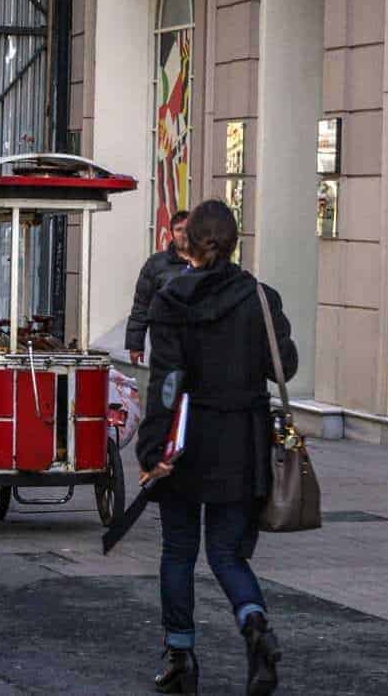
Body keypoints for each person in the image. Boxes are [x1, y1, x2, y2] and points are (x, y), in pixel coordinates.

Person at [137, 200, 296, 695]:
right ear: (235, 240)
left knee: (179, 550)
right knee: (227, 553)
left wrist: (151, 449)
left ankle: (181, 656)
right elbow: (284, 368)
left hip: (186, 440)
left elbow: (166, 382)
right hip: (243, 440)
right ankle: (255, 629)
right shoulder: (261, 297)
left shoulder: (171, 298)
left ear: (188, 241)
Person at [126, 209, 190, 365]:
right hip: (165, 343)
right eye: (179, 230)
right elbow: (141, 305)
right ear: (172, 233)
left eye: (188, 229)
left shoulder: (205, 263)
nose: (184, 234)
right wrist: (135, 344)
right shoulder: (156, 265)